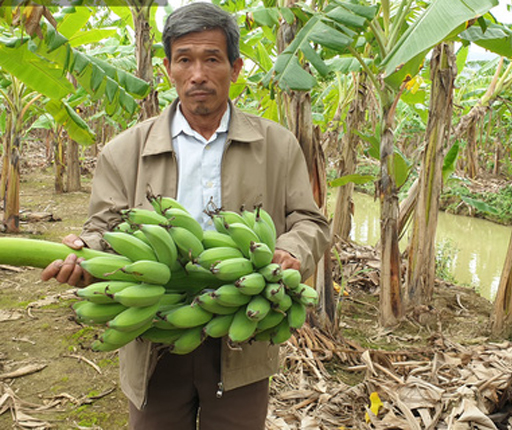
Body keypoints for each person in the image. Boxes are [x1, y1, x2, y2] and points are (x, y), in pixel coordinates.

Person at [40, 3, 330, 429]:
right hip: (155, 331)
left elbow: (310, 221)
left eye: (212, 59)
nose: (198, 74)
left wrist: (290, 249)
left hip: (242, 333)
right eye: (185, 60)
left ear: (236, 67)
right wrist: (87, 255)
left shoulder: (277, 145)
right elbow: (104, 231)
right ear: (168, 68)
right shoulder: (124, 152)